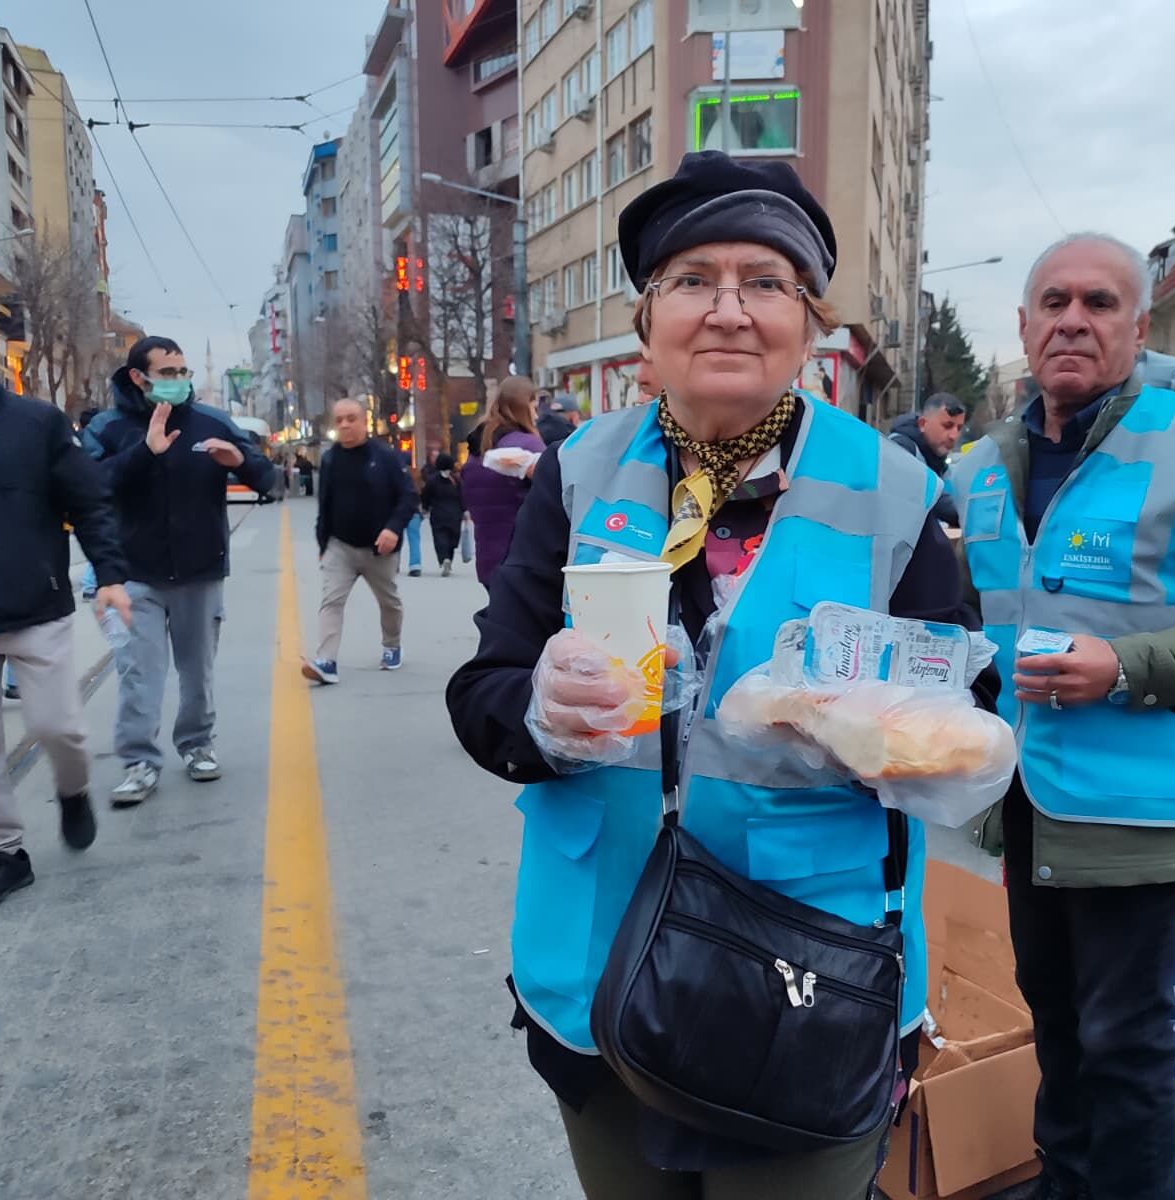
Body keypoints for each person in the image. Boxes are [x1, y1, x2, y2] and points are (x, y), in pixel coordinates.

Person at [447, 150, 991, 1198]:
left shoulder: (894, 490)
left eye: (766, 281)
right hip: (603, 962)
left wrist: (887, 729)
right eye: (693, 279)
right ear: (647, 323)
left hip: (811, 979)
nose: (729, 309)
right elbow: (485, 695)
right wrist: (540, 713)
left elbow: (965, 712)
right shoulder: (576, 476)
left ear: (810, 325)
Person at [951, 233, 1175, 1200]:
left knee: (1124, 1043)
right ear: (1023, 327)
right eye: (1054, 301)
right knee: (1055, 1025)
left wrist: (1124, 668)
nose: (1074, 319)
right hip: (1024, 801)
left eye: (1100, 303)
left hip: (1137, 812)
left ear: (1138, 326)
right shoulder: (981, 466)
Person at [0, 317, 132, 908]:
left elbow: (89, 502)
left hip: (35, 608)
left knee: (56, 726)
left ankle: (73, 788)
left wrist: (111, 575)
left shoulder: (36, 424)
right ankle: (5, 853)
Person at [84, 336, 276, 807]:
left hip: (200, 569)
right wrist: (144, 452)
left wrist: (242, 462)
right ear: (138, 376)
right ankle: (139, 762)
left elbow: (269, 479)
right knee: (138, 672)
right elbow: (88, 489)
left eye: (183, 372)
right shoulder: (107, 428)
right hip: (134, 573)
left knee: (197, 672)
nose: (178, 381)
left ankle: (197, 745)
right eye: (167, 373)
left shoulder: (211, 421)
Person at [302, 399, 418, 685]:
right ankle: (326, 661)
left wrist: (392, 529)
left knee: (388, 602)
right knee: (331, 601)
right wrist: (323, 545)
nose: (344, 424)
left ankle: (392, 645)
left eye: (351, 418)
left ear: (364, 422)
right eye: (339, 419)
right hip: (340, 547)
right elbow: (324, 504)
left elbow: (408, 497)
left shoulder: (385, 456)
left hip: (379, 549)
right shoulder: (329, 459)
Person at [462, 376, 545, 588]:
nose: (536, 416)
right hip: (525, 558)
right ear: (522, 407)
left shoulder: (478, 448)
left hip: (488, 557)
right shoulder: (528, 445)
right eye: (534, 407)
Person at [888, 391, 966, 526]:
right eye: (947, 426)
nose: (954, 436)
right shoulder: (901, 448)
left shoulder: (938, 461)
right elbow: (933, 499)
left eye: (959, 428)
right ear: (923, 424)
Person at [421, 453, 465, 575]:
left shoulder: (432, 480)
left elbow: (426, 496)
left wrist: (425, 508)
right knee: (452, 538)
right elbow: (462, 496)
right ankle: (449, 559)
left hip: (438, 513)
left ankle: (443, 558)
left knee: (440, 537)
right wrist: (465, 510)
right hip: (455, 514)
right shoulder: (456, 480)